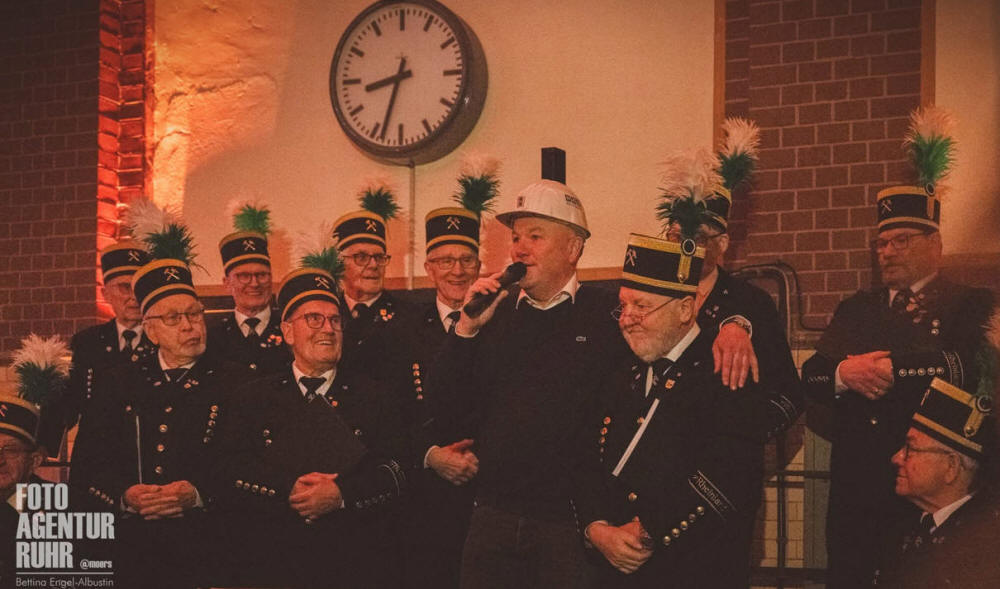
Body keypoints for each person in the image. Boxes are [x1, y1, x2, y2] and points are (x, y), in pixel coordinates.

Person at [801, 107, 995, 588]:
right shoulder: (857, 308)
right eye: (881, 243)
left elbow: (971, 369)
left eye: (901, 240)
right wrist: (845, 374)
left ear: (936, 244)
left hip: (930, 492)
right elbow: (812, 374)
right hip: (856, 486)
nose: (887, 252)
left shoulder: (969, 304)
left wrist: (895, 370)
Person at [427, 178, 628, 589]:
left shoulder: (609, 317)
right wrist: (466, 328)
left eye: (535, 236)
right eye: (516, 238)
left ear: (573, 248)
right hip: (491, 515)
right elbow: (442, 405)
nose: (519, 249)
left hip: (569, 523)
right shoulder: (494, 313)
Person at [69, 202, 244, 588]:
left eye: (194, 314)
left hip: (209, 547)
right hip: (134, 550)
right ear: (150, 330)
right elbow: (88, 466)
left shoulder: (234, 382)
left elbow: (248, 462)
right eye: (173, 318)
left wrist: (196, 493)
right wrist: (125, 495)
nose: (189, 326)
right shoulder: (119, 383)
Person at [212, 251, 408, 589]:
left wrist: (341, 493)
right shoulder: (252, 397)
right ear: (288, 331)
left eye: (334, 320)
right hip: (272, 564)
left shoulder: (375, 396)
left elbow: (398, 468)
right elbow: (228, 468)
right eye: (314, 319)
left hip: (357, 564)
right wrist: (286, 488)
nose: (328, 329)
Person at [399, 156, 499, 589]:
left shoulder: (504, 322)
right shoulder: (400, 332)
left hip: (492, 490)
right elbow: (390, 414)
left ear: (479, 266)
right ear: (428, 269)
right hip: (426, 495)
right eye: (445, 261)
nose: (457, 271)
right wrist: (430, 455)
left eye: (466, 260)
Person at [875, 376, 999, 588]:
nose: (896, 458)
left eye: (911, 449)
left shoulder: (984, 543)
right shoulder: (903, 524)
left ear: (951, 467)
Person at [37, 240, 155, 457]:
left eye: (139, 288)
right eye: (125, 287)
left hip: (147, 454)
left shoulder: (162, 339)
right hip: (97, 456)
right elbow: (70, 400)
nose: (134, 296)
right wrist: (42, 447)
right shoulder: (88, 342)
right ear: (105, 293)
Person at [333, 180, 411, 376]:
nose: (374, 265)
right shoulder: (329, 313)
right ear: (340, 264)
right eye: (361, 257)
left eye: (379, 257)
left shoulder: (409, 317)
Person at [207, 201, 291, 376]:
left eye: (262, 275)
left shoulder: (290, 331)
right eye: (244, 276)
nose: (254, 283)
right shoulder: (212, 338)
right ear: (227, 284)